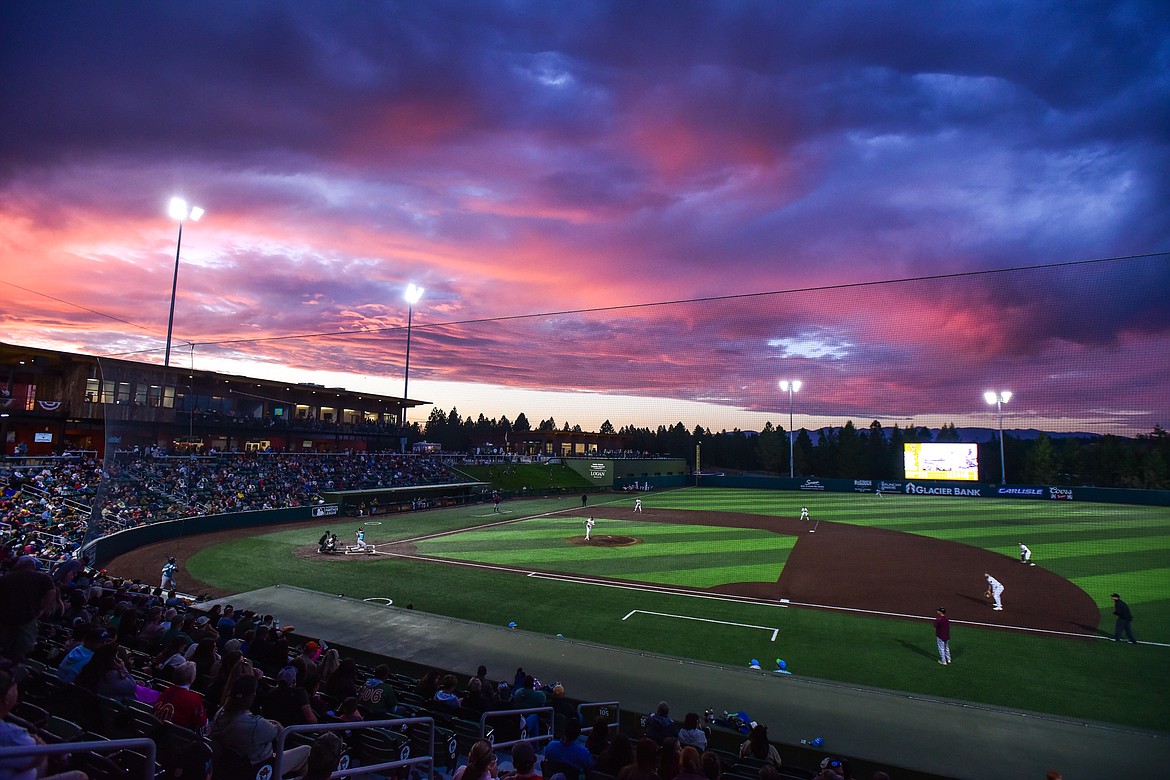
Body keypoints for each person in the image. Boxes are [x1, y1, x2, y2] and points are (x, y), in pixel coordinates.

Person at [209, 674, 310, 776]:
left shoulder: (219, 714)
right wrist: (277, 724)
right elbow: (280, 732)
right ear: (252, 695)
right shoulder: (256, 725)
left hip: (236, 767)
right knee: (307, 751)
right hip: (260, 768)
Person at [0, 664, 87, 780]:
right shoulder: (12, 735)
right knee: (80, 776)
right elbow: (36, 758)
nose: (17, 687)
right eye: (14, 686)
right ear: (5, 701)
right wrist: (41, 746)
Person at [154, 661, 209, 732]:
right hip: (178, 736)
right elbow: (202, 722)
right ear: (192, 679)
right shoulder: (194, 698)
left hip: (160, 731)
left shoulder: (166, 691)